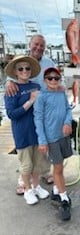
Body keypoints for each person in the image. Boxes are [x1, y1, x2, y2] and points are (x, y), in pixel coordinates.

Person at [5, 34, 55, 194]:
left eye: (41, 45)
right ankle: (23, 181)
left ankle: (44, 173)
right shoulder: (21, 61)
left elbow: (57, 79)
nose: (38, 48)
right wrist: (8, 82)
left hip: (43, 110)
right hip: (26, 114)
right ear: (30, 44)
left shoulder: (49, 62)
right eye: (36, 44)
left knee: (42, 146)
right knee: (25, 153)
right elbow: (10, 78)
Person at [34, 67, 73, 221]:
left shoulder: (62, 94)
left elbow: (68, 109)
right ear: (45, 81)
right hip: (51, 139)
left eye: (56, 78)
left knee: (61, 164)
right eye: (50, 78)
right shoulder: (41, 97)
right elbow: (38, 119)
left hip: (63, 135)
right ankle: (64, 198)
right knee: (57, 168)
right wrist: (42, 140)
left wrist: (67, 122)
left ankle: (56, 189)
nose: (53, 81)